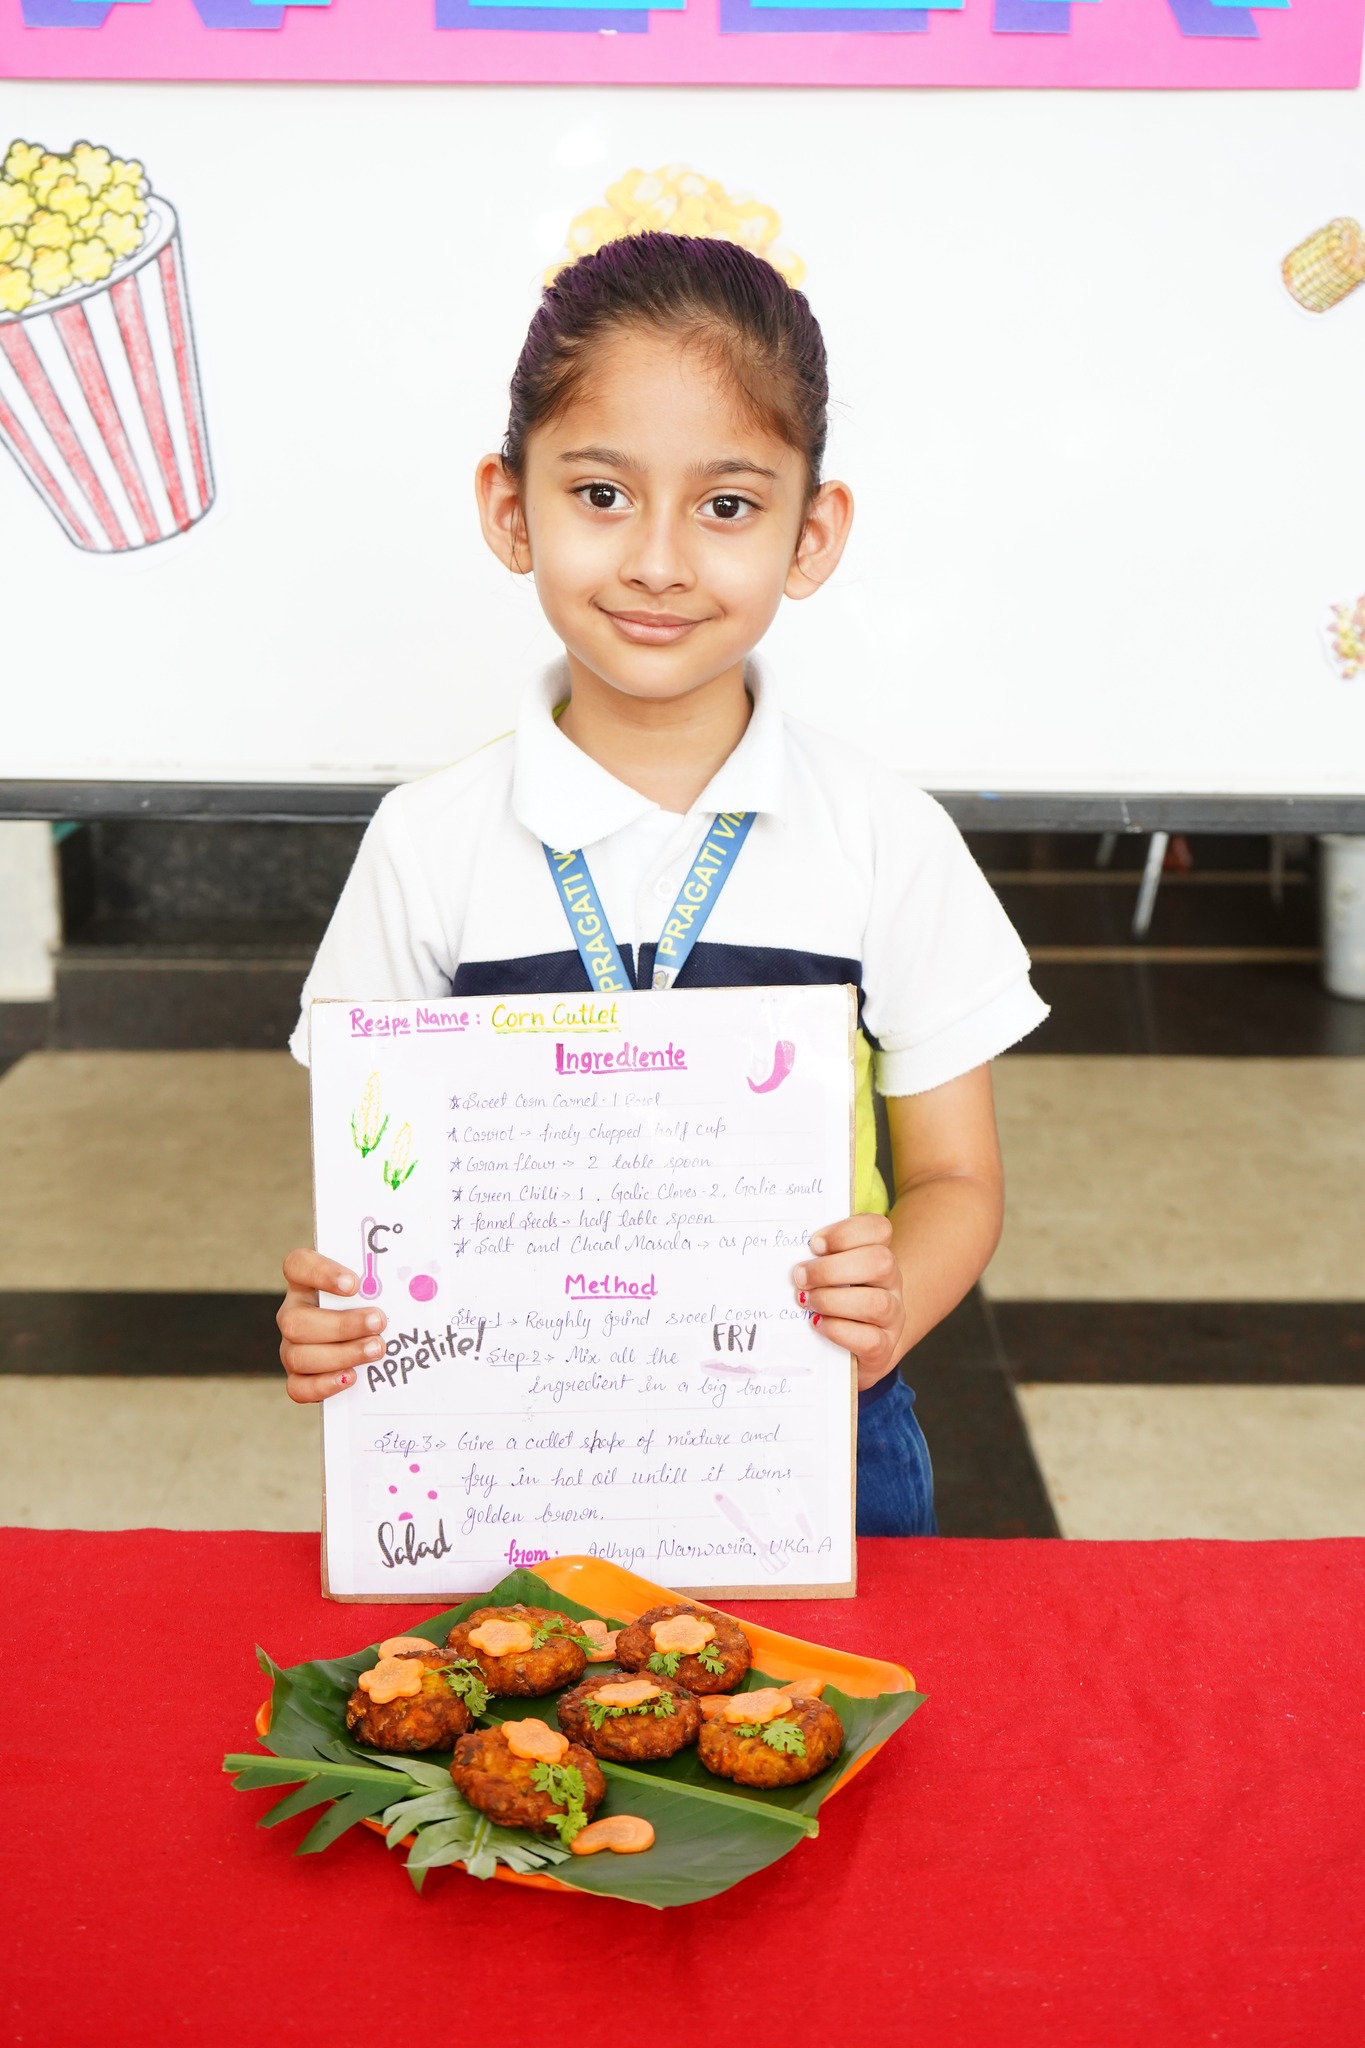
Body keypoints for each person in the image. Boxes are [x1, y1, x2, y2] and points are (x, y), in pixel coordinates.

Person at [276, 231, 1047, 1536]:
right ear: (510, 509)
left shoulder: (882, 834)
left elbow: (957, 1179)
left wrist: (891, 1305)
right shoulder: (428, 841)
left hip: (820, 1430)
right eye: (600, 494)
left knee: (824, 1736)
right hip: (506, 1440)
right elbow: (375, 1194)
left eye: (728, 506)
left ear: (814, 533)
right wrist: (339, 1314)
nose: (658, 560)